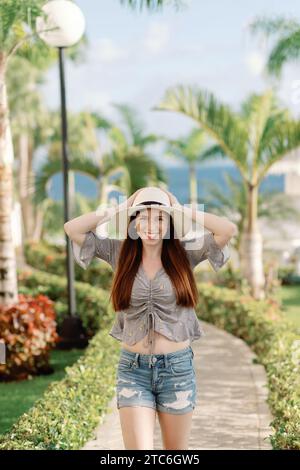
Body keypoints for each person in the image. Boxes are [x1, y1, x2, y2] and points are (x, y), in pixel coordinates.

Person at [64, 186, 237, 450]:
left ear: (169, 224)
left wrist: (178, 209)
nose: (151, 225)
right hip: (133, 371)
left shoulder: (186, 252)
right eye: (143, 217)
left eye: (159, 218)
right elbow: (72, 228)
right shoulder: (118, 252)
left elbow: (226, 230)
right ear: (133, 223)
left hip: (177, 371)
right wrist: (120, 208)